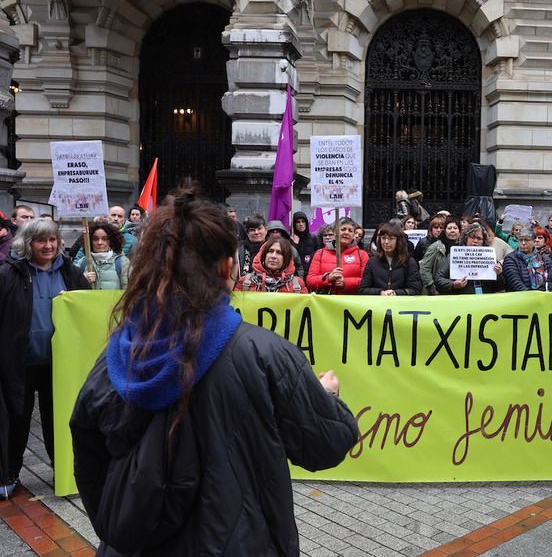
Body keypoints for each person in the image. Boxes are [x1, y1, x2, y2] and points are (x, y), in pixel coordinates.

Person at [70, 184, 358, 554]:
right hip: (238, 542)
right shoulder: (264, 353)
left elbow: (89, 456)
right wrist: (326, 397)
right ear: (227, 266)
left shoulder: (119, 350)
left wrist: (122, 523)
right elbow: (327, 444)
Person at [0, 219, 90, 498]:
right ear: (27, 244)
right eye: (41, 241)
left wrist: (79, 298)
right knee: (18, 417)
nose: (48, 245)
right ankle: (10, 472)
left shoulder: (71, 273)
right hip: (19, 363)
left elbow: (87, 310)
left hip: (59, 365)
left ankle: (63, 471)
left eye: (52, 239)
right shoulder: (8, 274)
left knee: (60, 420)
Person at [435, 223, 505, 294]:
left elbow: (500, 287)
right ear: (466, 238)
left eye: (479, 238)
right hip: (462, 300)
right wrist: (453, 284)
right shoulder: (454, 255)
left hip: (485, 300)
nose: (475, 241)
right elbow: (439, 280)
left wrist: (498, 275)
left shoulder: (489, 257)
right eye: (472, 237)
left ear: (483, 241)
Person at [306, 217, 369, 295]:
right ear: (335, 232)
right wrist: (328, 278)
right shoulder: (320, 253)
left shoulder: (362, 255)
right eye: (343, 229)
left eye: (350, 231)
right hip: (326, 302)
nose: (346, 232)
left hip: (352, 303)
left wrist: (346, 282)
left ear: (353, 235)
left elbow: (367, 282)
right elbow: (310, 281)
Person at [359, 223, 422, 296]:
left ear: (398, 241)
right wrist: (380, 292)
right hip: (378, 305)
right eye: (383, 238)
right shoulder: (372, 262)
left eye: (391, 238)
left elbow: (416, 290)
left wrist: (396, 293)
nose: (386, 242)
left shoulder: (409, 262)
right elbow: (363, 289)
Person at [236, 235, 308, 293]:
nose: (273, 256)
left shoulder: (297, 284)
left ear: (286, 258)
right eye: (270, 251)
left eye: (279, 253)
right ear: (264, 255)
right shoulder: (246, 282)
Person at [76, 221, 131, 290]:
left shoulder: (122, 262)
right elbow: (72, 290)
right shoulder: (82, 263)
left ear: (111, 241)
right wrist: (83, 281)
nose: (100, 242)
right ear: (90, 241)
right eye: (95, 239)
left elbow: (128, 292)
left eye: (104, 239)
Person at [502, 226, 552, 291]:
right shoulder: (511, 259)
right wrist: (532, 296)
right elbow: (514, 282)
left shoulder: (545, 260)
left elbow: (551, 280)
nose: (523, 243)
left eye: (527, 240)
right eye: (520, 240)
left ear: (534, 241)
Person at [420, 217, 460, 295]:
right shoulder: (435, 247)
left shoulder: (462, 248)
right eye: (449, 228)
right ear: (445, 231)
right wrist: (433, 290)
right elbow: (425, 269)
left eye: (455, 228)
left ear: (459, 231)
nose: (452, 230)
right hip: (438, 292)